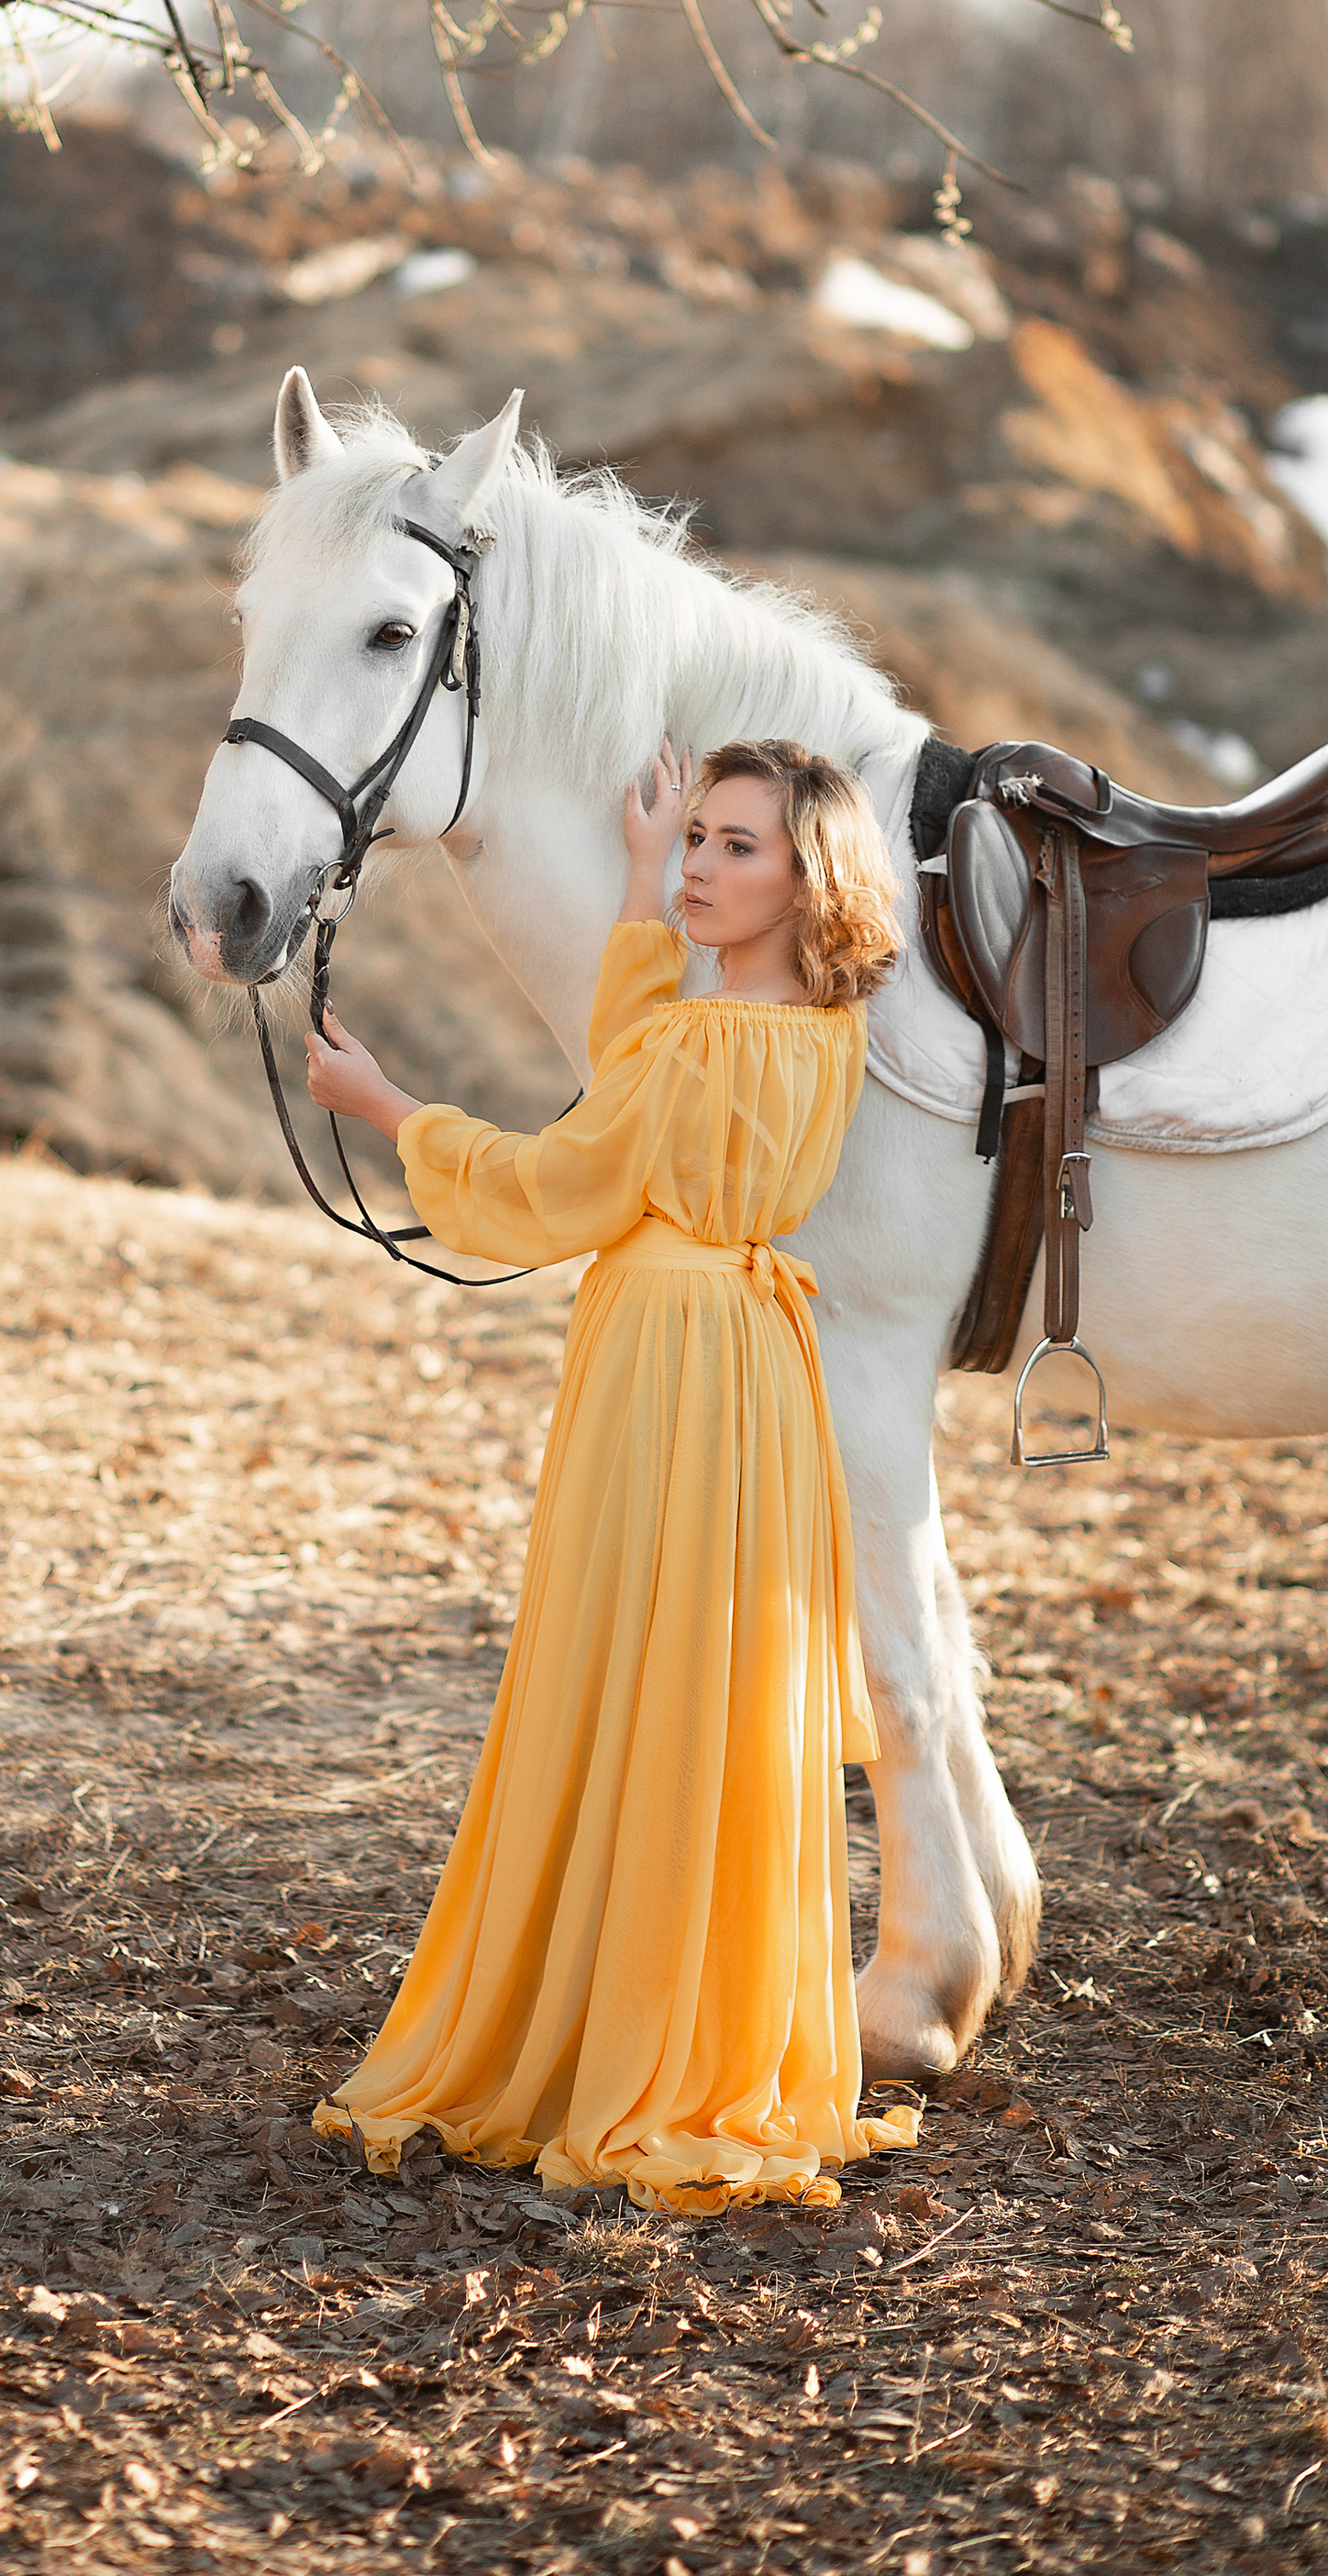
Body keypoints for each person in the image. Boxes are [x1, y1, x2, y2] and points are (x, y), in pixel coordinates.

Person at [299, 733, 919, 2215]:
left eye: (736, 847)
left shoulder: (705, 1044)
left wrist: (387, 1109)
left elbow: (566, 1182)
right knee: (709, 1689)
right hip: (753, 1370)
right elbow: (645, 1065)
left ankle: (600, 2034)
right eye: (697, 836)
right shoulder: (824, 1034)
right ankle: (692, 2023)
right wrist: (641, 885)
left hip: (668, 1362)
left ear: (806, 873)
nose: (703, 865)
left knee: (626, 1666)